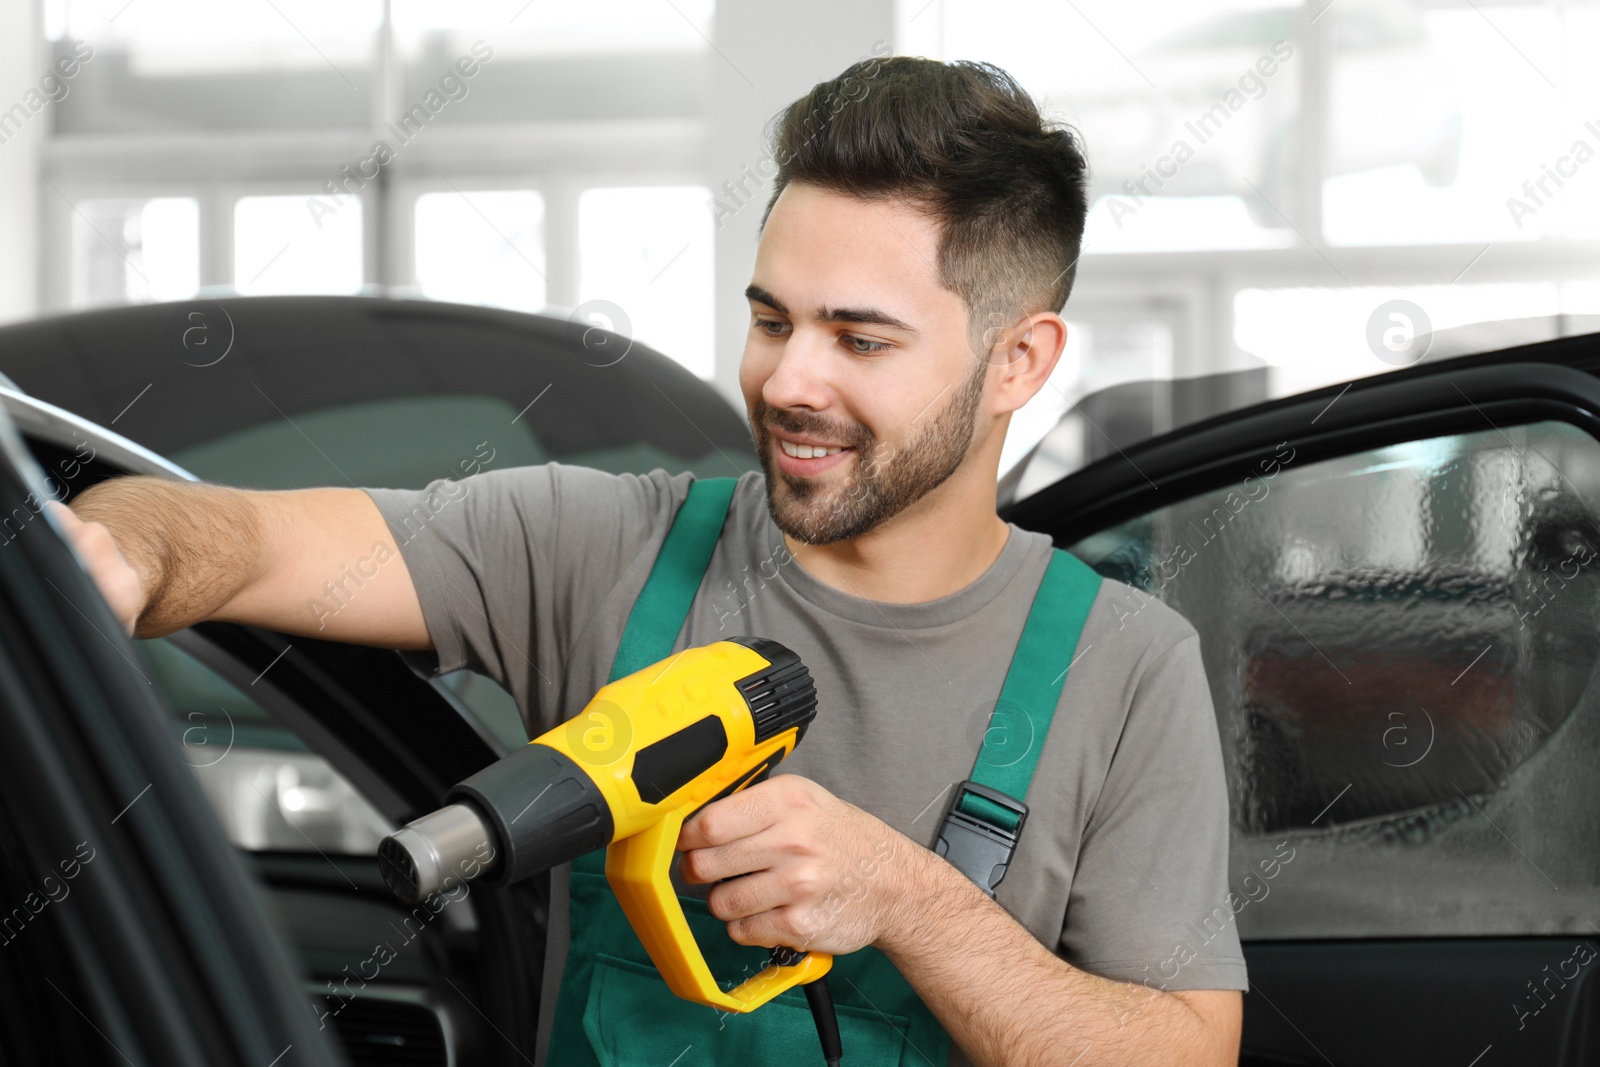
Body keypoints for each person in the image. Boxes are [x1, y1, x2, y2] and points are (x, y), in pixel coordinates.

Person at [52, 55, 1245, 1067]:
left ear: (1018, 363)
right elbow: (242, 537)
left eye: (859, 338)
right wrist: (114, 549)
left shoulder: (1125, 666)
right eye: (772, 318)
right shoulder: (594, 547)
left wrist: (909, 899)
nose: (787, 380)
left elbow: (1185, 1050)